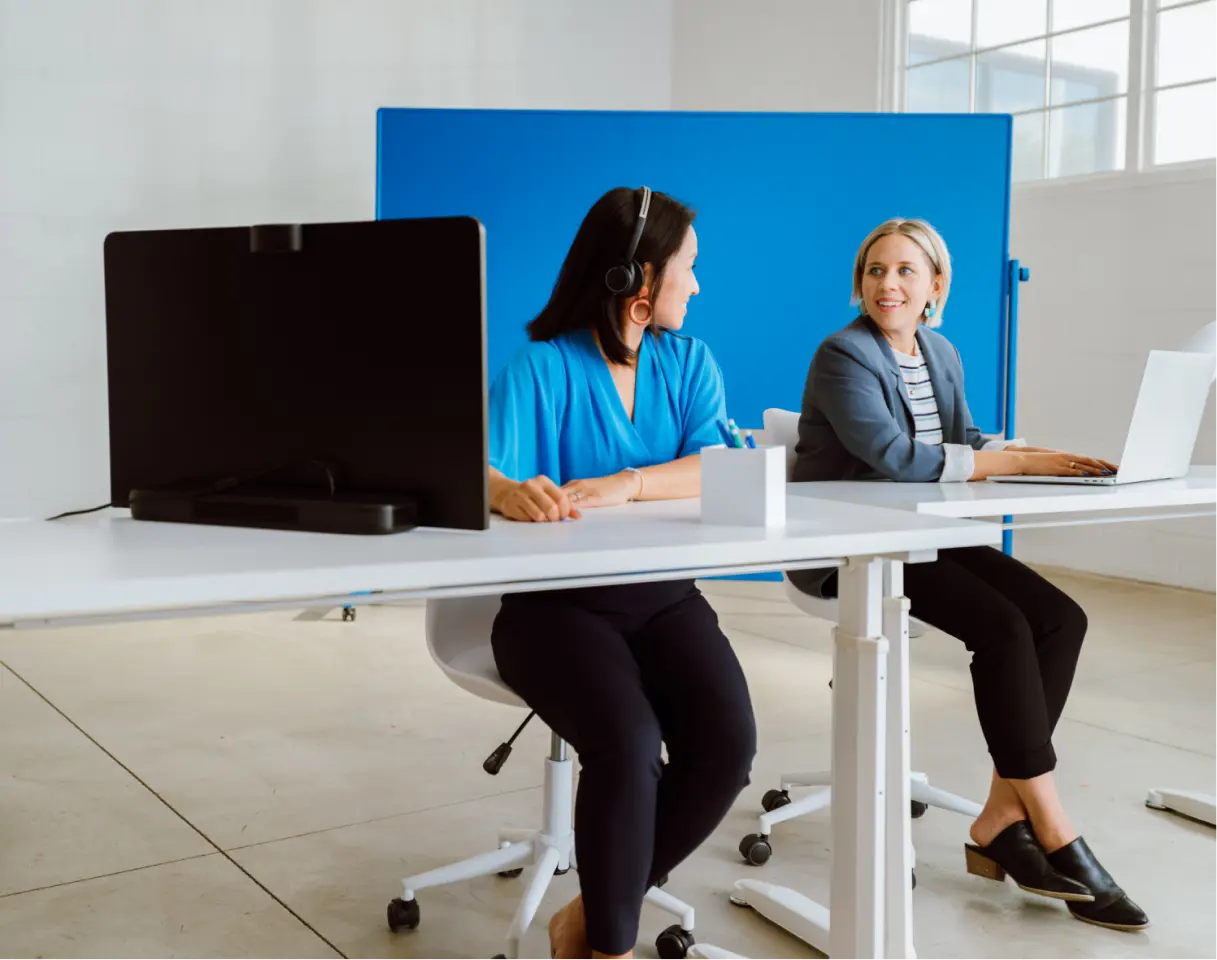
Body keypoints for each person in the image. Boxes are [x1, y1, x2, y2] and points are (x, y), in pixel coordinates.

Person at [788, 218, 1148, 932]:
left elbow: (960, 439)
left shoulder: (938, 351)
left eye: (903, 272)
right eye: (874, 271)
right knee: (1003, 627)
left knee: (1059, 619)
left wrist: (1034, 452)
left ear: (934, 287)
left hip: (922, 535)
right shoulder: (841, 354)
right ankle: (1050, 825)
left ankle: (997, 817)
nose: (886, 285)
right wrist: (1008, 464)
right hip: (853, 546)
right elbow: (895, 455)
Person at [487, 186, 757, 960]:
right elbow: (472, 468)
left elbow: (718, 462)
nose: (697, 286)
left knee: (726, 748)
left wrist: (632, 482)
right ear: (638, 279)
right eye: (689, 269)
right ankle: (608, 949)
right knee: (630, 746)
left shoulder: (689, 361)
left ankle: (589, 915)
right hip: (554, 610)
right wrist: (505, 490)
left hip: (664, 602)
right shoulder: (539, 368)